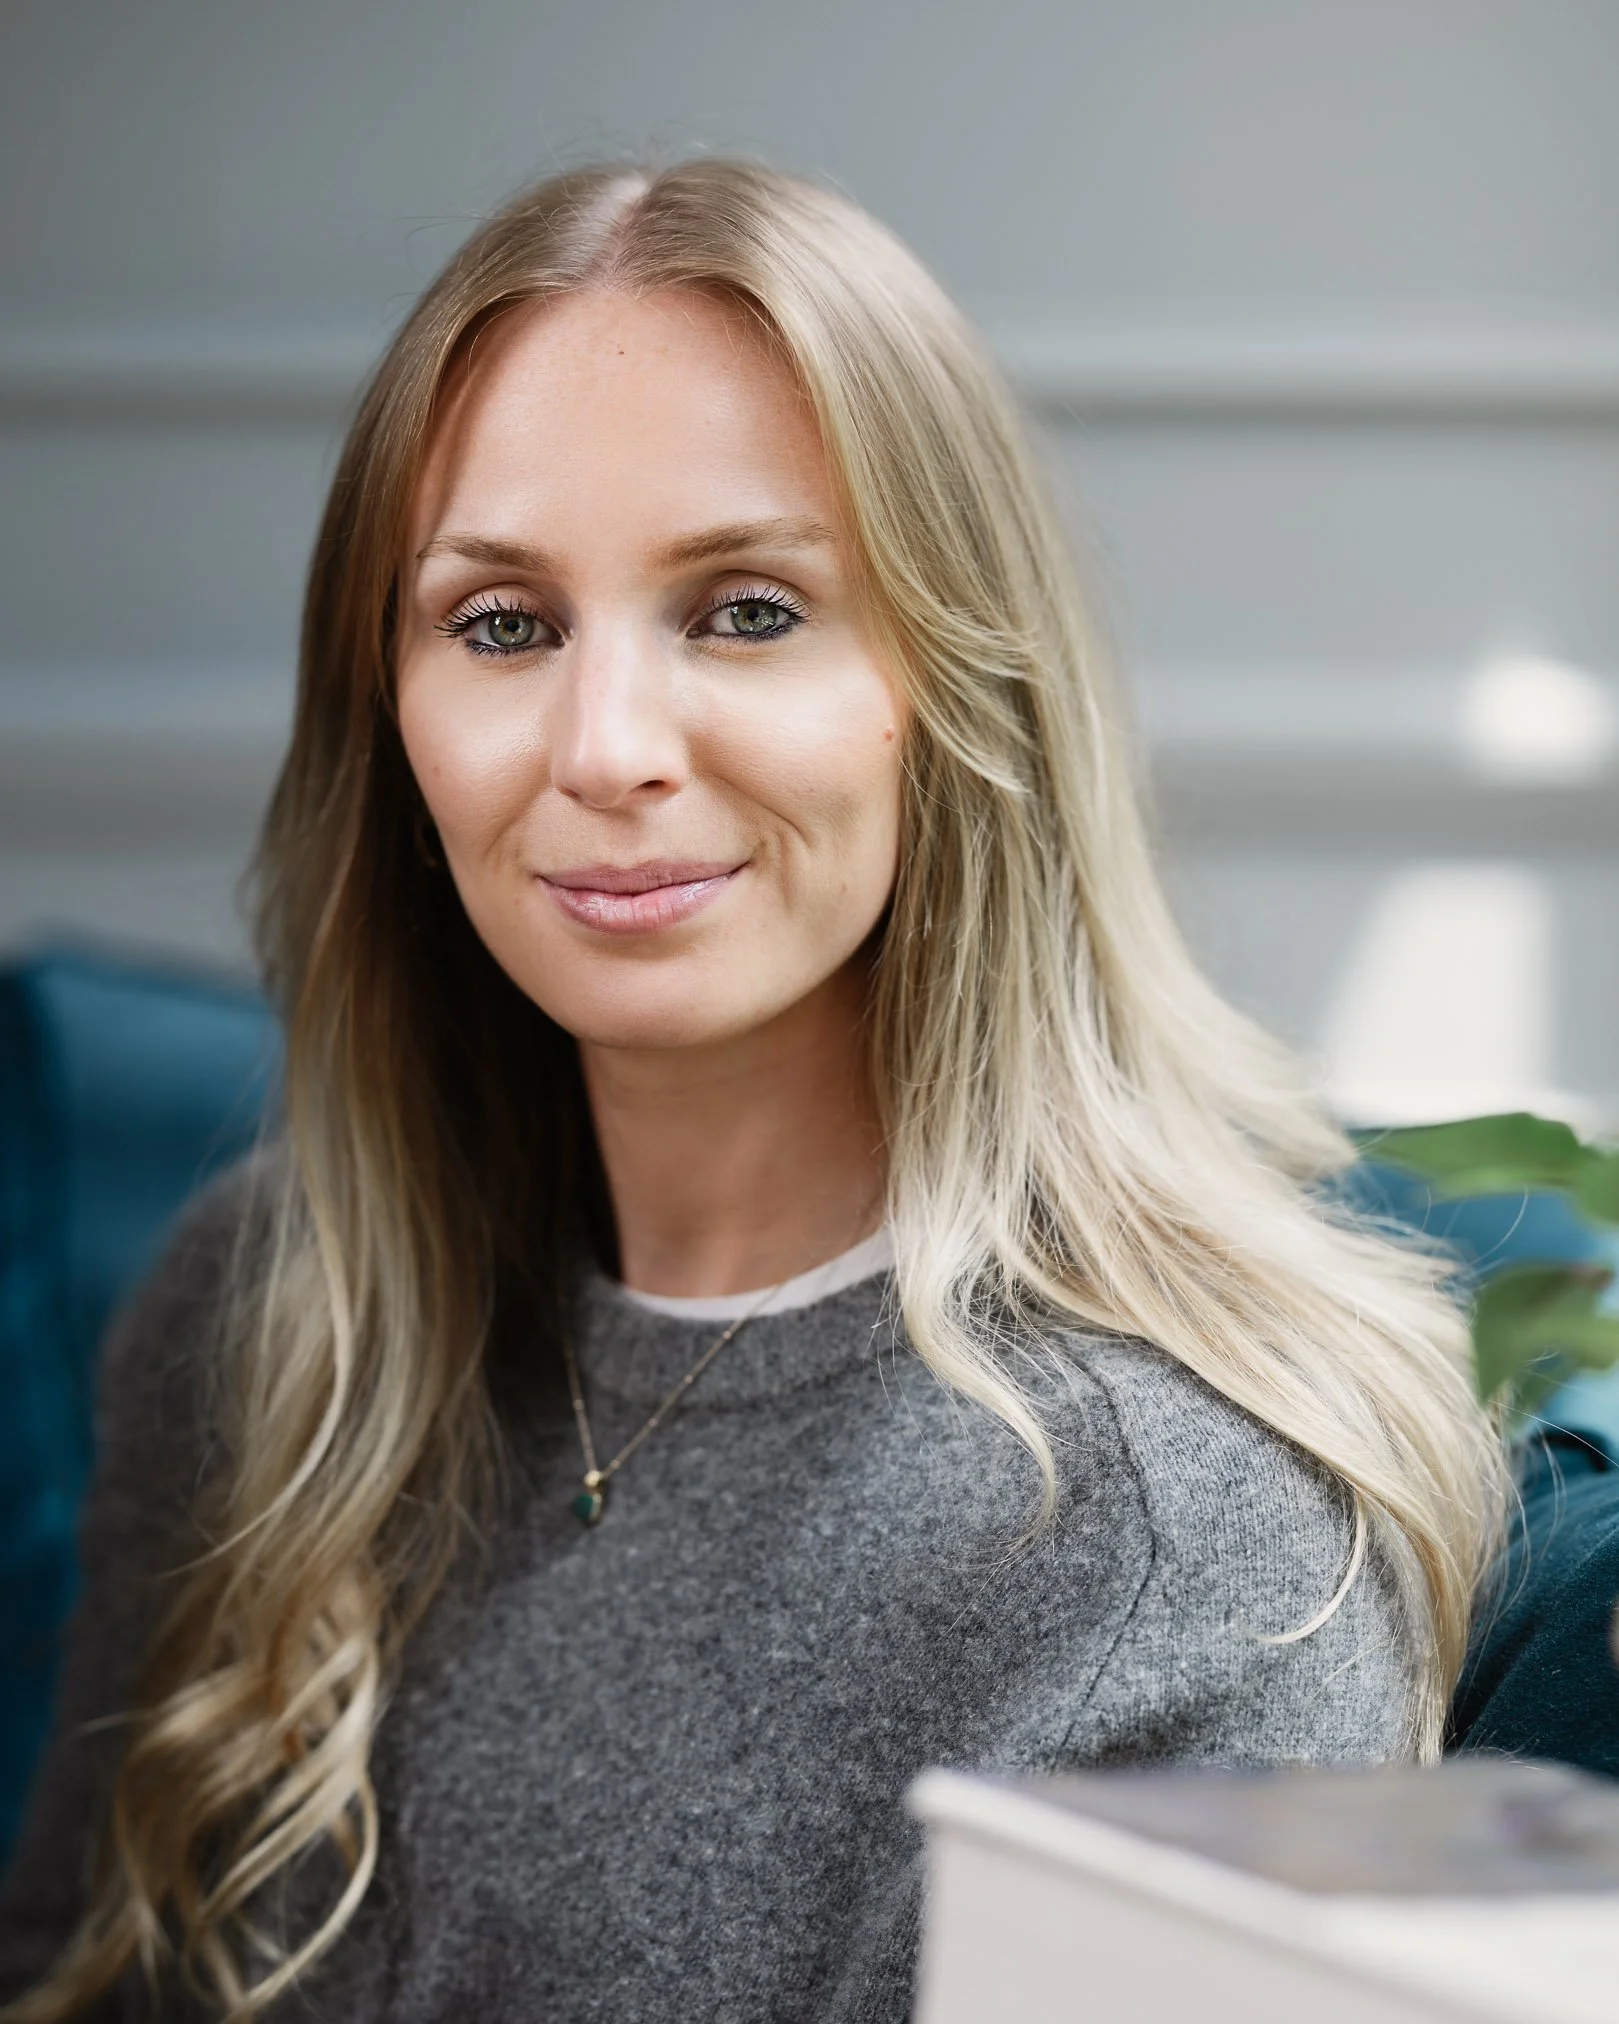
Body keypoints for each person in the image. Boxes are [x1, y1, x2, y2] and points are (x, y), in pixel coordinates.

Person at [0, 159, 1506, 2022]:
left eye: (746, 610)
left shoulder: (1173, 1540)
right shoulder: (262, 1319)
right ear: (386, 713)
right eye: (500, 625)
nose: (608, 748)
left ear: (949, 688)